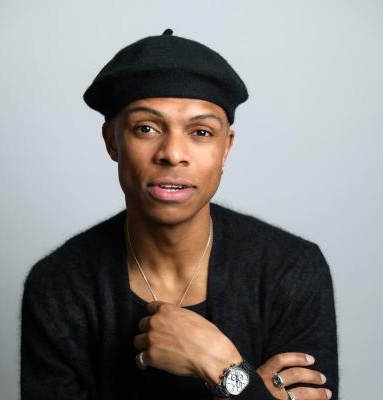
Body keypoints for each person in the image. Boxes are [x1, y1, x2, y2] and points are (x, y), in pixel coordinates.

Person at [20, 29, 339, 399]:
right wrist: (251, 388)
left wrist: (222, 368)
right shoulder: (60, 286)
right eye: (146, 128)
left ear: (226, 148)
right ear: (112, 141)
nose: (172, 153)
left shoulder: (291, 270)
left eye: (201, 132)